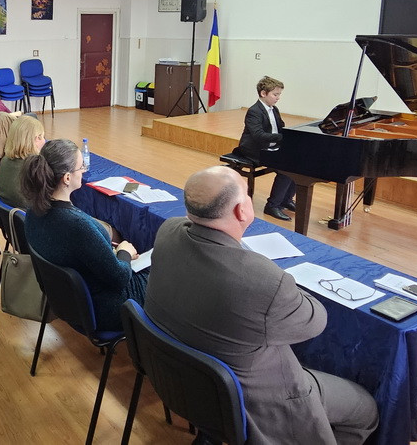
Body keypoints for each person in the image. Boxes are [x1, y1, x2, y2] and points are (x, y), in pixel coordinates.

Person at [146, 166, 379, 445]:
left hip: (184, 384)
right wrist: (271, 276)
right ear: (241, 211)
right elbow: (316, 321)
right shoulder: (263, 281)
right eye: (247, 193)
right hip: (259, 404)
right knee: (366, 409)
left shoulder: (168, 230)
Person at [21, 138, 147, 332]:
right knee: (161, 274)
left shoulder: (32, 211)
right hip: (103, 310)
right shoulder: (77, 226)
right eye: (81, 167)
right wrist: (124, 252)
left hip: (65, 302)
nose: (84, 171)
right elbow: (120, 278)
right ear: (67, 178)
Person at [232, 76, 296, 221]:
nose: (278, 98)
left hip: (271, 146)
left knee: (298, 164)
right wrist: (281, 137)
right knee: (286, 168)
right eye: (275, 94)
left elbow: (281, 127)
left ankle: (286, 200)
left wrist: (291, 135)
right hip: (254, 149)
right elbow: (258, 135)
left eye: (279, 94)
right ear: (263, 93)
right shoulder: (254, 111)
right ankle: (272, 206)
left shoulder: (274, 109)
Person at [0, 115, 45, 209]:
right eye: (42, 137)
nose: (44, 141)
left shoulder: (4, 160)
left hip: (9, 214)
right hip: (29, 214)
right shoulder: (35, 166)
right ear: (36, 139)